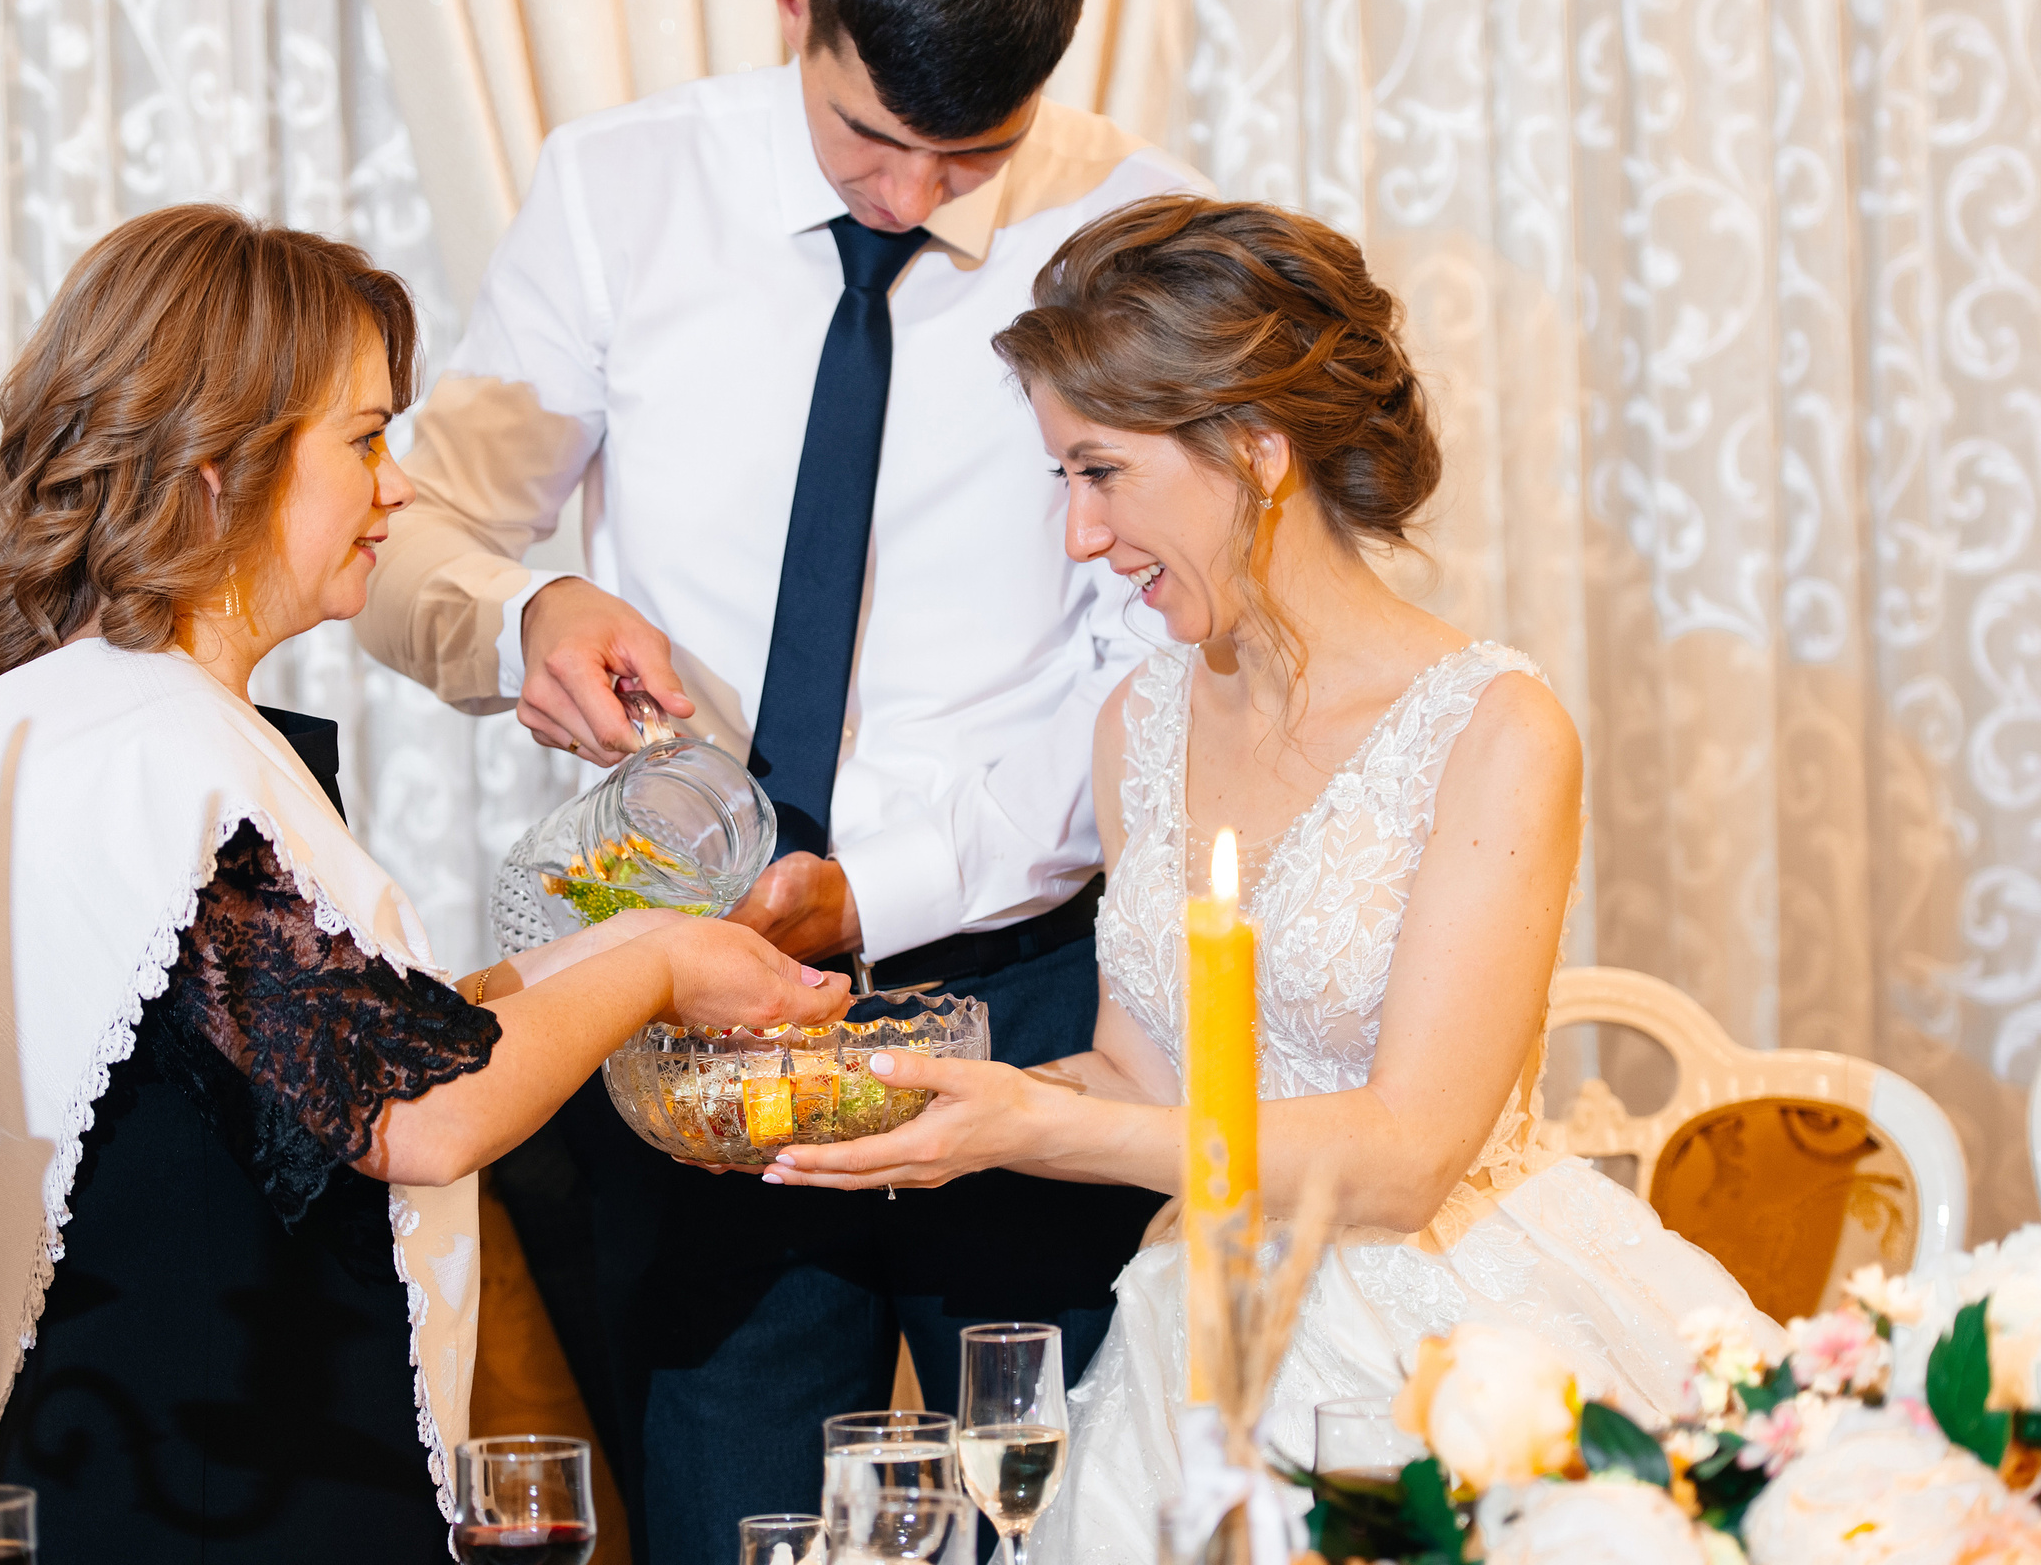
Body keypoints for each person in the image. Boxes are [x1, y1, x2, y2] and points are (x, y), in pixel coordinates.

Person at [354, 0, 1208, 1554]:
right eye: (864, 136)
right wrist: (533, 604)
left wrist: (870, 888)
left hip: (1040, 1001)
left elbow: (1158, 679)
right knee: (733, 1509)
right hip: (692, 1019)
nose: (904, 195)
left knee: (1065, 1513)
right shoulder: (618, 192)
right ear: (787, 6)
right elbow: (408, 532)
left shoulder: (1139, 233)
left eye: (968, 160)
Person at [760, 195, 1781, 1562]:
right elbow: (1142, 1076)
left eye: (1100, 473)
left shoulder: (1492, 728)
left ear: (1253, 449)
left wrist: (1029, 1130)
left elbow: (1410, 1158)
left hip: (1455, 1352)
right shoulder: (1142, 721)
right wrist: (903, 1087)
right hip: (1203, 1340)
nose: (1077, 536)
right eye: (1062, 478)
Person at [0, 205, 847, 1561]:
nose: (396, 489)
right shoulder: (159, 749)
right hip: (219, 1473)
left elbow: (302, 1056)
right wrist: (655, 965)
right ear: (219, 469)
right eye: (362, 441)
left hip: (148, 1432)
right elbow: (413, 1113)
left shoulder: (85, 722)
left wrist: (611, 948)